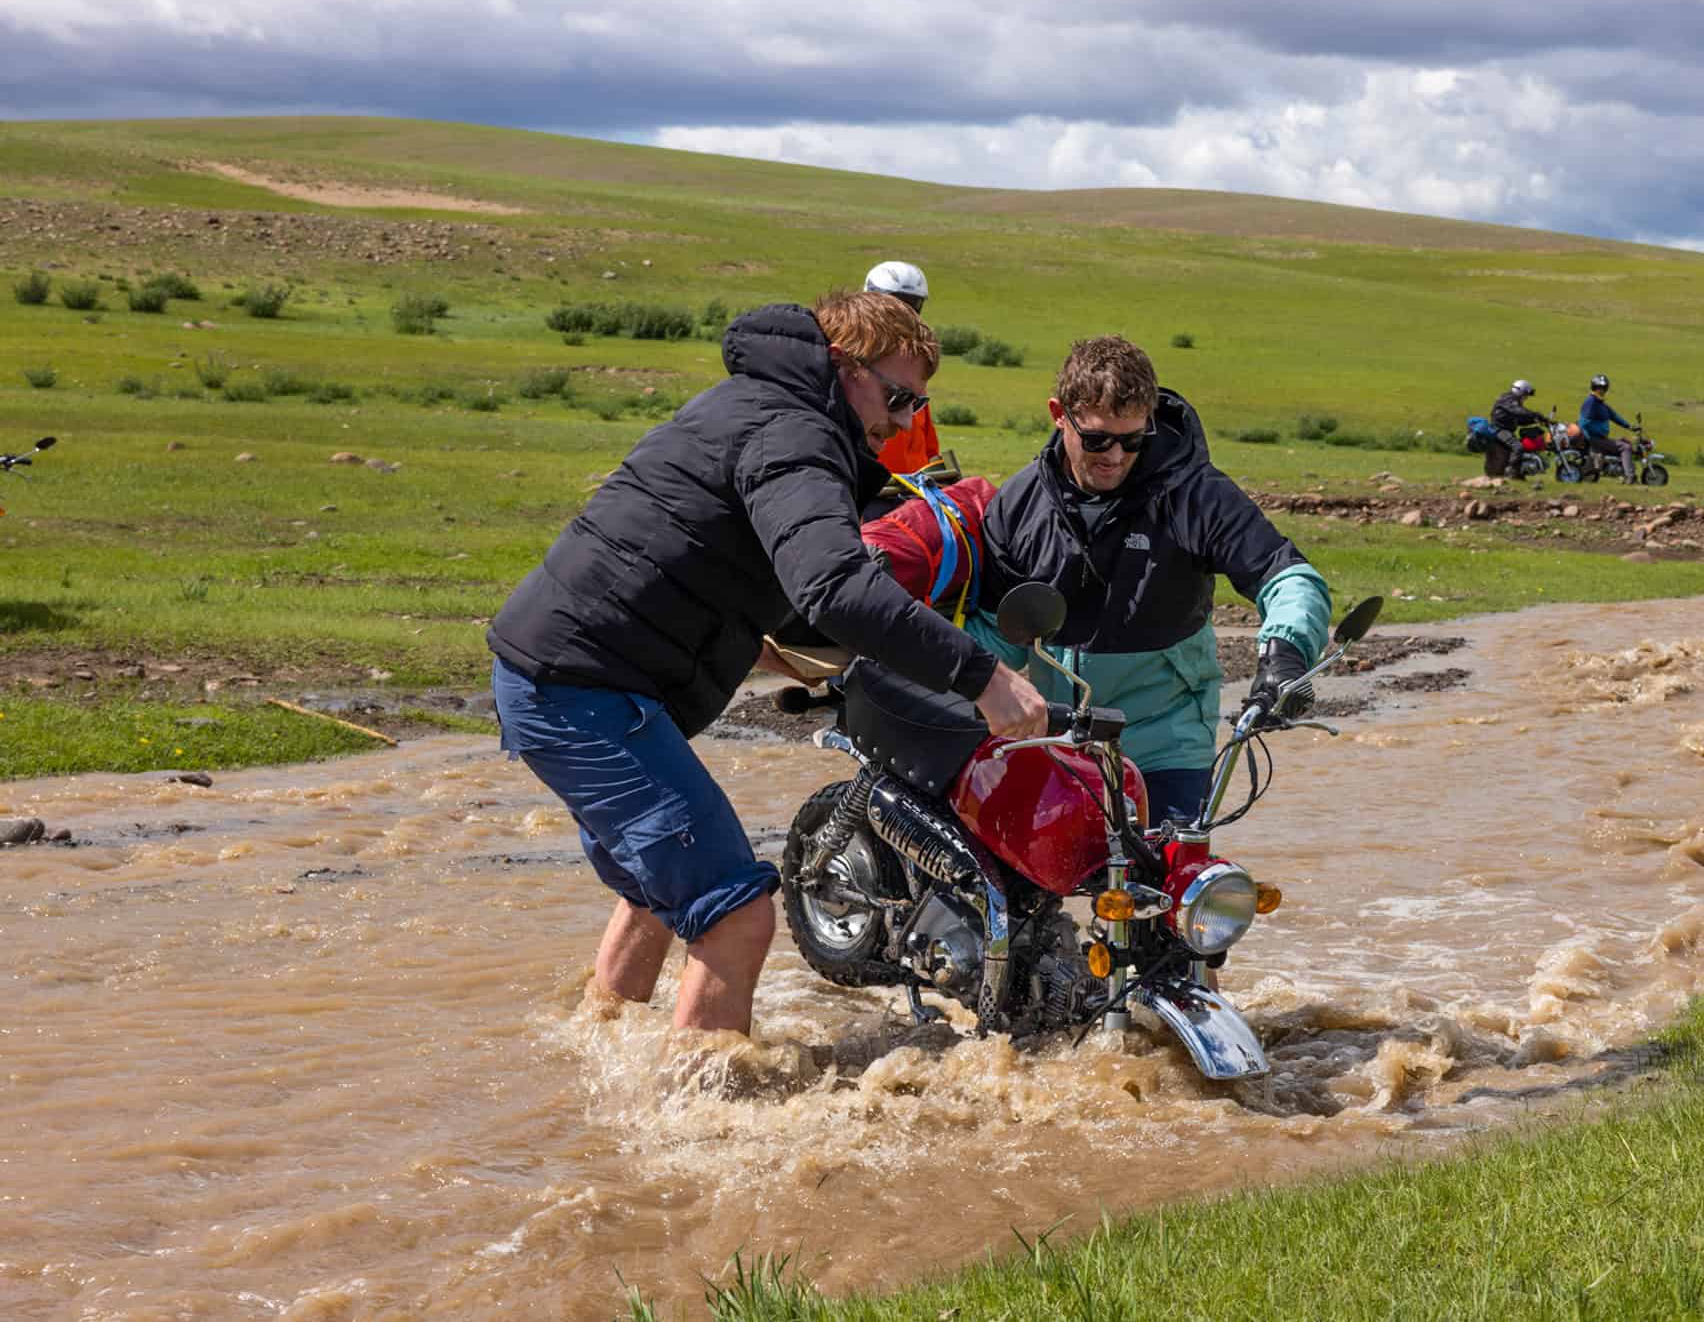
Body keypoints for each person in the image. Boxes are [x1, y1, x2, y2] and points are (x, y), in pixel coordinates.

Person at [487, 292, 1047, 1034]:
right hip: (584, 689)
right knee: (738, 916)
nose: (907, 420)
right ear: (845, 367)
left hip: (559, 674)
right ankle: (703, 1124)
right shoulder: (796, 432)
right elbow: (836, 584)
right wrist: (984, 675)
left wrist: (800, 652)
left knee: (662, 894)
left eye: (920, 402)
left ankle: (600, 1046)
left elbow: (745, 567)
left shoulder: (757, 404)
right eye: (900, 395)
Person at [972, 336, 1332, 823]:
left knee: (1168, 887)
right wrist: (921, 662)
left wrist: (1286, 653)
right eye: (1098, 439)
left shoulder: (1196, 495)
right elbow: (999, 636)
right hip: (1057, 741)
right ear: (1059, 413)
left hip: (1169, 745)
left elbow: (1287, 575)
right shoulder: (1018, 504)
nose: (1116, 456)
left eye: (1133, 439)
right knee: (1022, 890)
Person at [862, 261, 942, 476]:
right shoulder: (854, 369)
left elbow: (929, 447)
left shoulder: (914, 370)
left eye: (912, 306)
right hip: (871, 493)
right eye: (896, 304)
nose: (903, 315)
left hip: (913, 494)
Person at [1577, 373, 1636, 484]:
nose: (1602, 390)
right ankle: (1630, 477)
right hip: (1595, 439)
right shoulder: (1591, 402)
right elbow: (1583, 423)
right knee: (1625, 447)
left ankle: (1619, 473)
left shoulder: (1600, 403)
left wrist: (1629, 426)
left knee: (1623, 442)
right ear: (1594, 388)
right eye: (1599, 388)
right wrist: (1596, 433)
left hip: (1600, 438)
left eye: (1604, 388)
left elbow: (1614, 416)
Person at [1489, 379, 1552, 479]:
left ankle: (1520, 473)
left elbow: (1520, 419)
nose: (1526, 398)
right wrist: (1536, 415)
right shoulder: (1509, 399)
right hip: (1499, 430)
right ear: (1520, 391)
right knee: (1518, 447)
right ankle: (1511, 472)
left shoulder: (1514, 401)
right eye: (1525, 395)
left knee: (1525, 445)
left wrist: (1537, 420)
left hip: (1506, 430)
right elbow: (1519, 412)